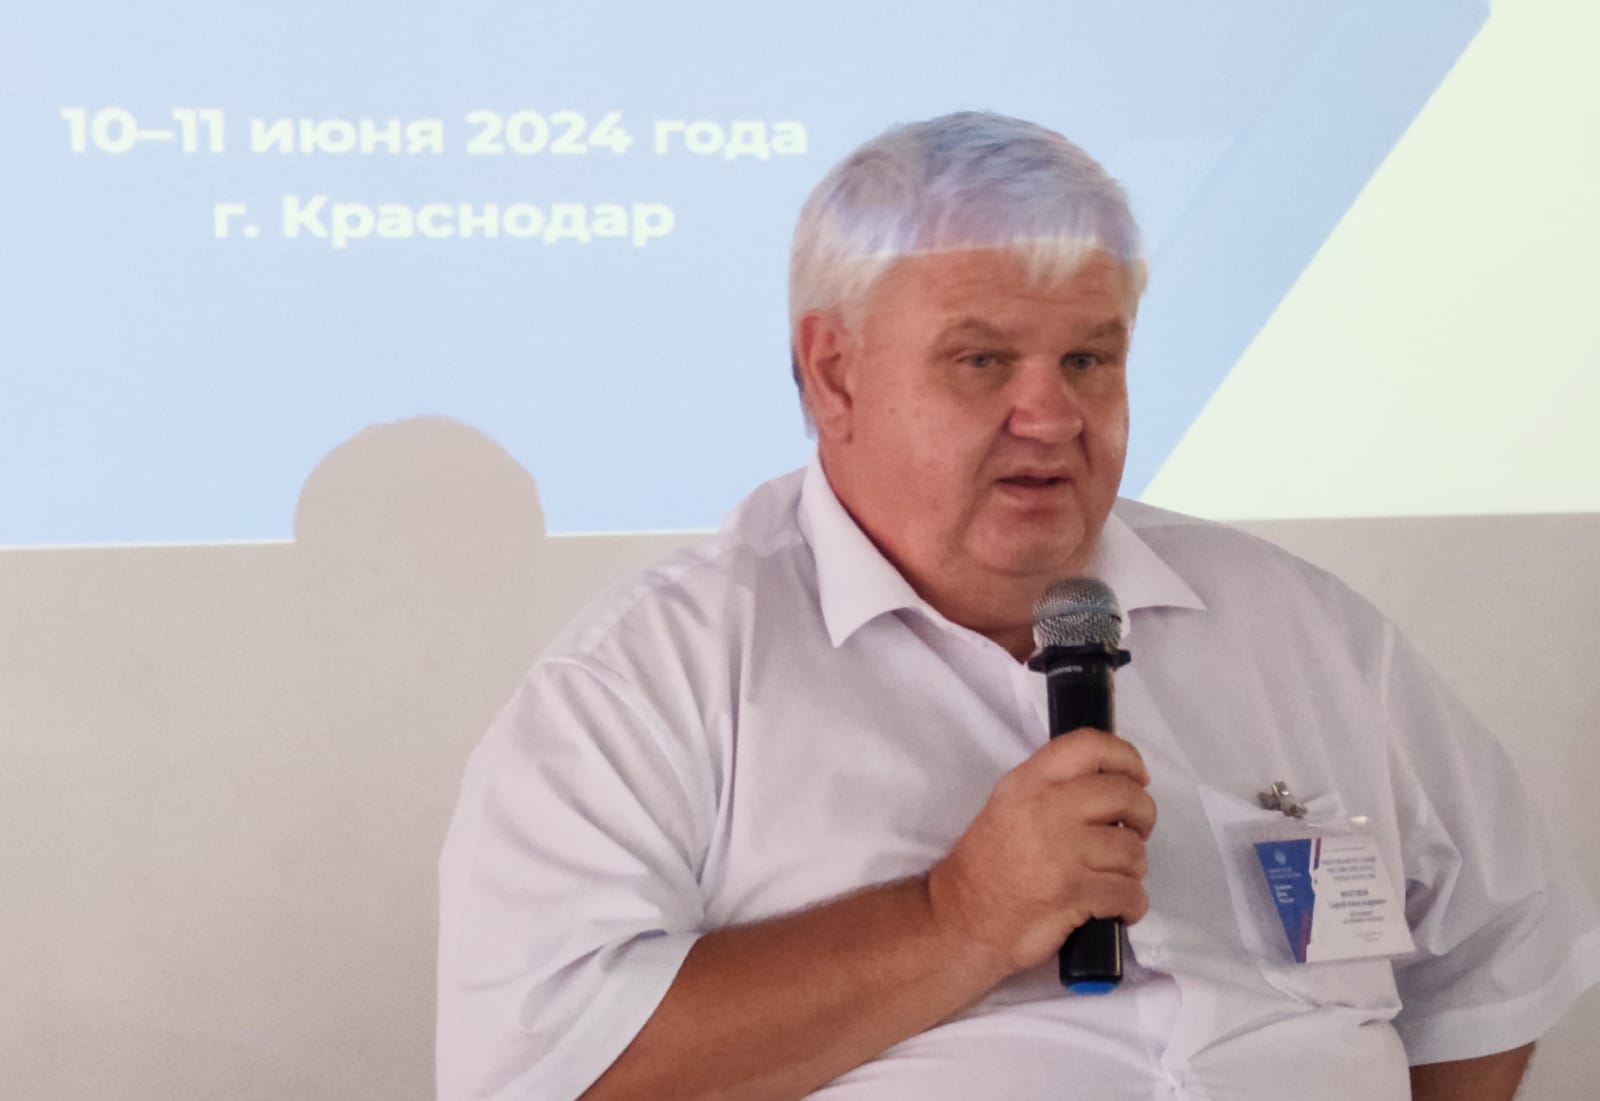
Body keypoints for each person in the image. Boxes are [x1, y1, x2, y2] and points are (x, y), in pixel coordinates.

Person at [436, 112, 1600, 1100]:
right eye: (983, 361)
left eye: (1089, 360)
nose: (1051, 417)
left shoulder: (1304, 631)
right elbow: (546, 1076)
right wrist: (957, 920)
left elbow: (1491, 970)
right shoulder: (651, 682)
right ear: (834, 374)